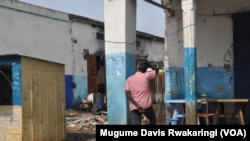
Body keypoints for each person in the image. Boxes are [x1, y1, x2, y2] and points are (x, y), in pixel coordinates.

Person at [125, 61, 159, 125]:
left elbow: (127, 93)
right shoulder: (147, 76)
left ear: (137, 68)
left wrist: (137, 105)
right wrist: (149, 64)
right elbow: (157, 70)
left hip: (134, 106)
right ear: (145, 70)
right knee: (152, 118)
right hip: (146, 105)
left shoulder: (129, 79)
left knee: (136, 123)